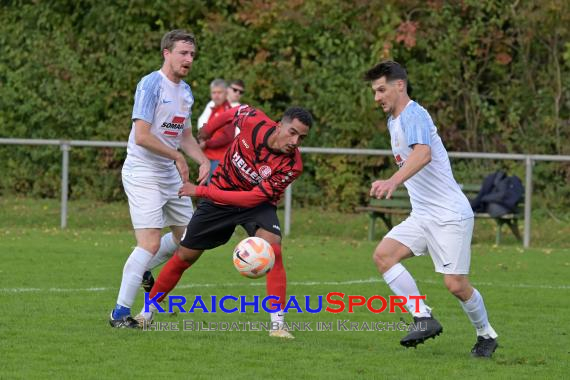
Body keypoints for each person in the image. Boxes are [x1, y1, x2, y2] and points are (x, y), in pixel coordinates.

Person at [136, 105, 313, 339]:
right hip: (220, 196)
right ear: (279, 125)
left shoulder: (292, 165)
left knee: (273, 248)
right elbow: (232, 113)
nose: (295, 141)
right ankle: (146, 313)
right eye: (292, 132)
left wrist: (202, 191)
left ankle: (277, 325)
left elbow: (253, 197)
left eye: (301, 137)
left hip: (254, 204)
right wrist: (208, 130)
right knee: (185, 256)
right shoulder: (253, 121)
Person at [363, 61, 499, 357]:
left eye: (381, 90)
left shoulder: (415, 114)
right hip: (423, 215)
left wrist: (393, 181)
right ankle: (423, 318)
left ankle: (486, 334)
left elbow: (423, 154)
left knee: (456, 285)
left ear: (400, 86)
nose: (377, 98)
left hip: (450, 215)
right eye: (374, 92)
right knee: (384, 256)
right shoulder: (393, 121)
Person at [109, 29, 210, 328]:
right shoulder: (151, 84)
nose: (188, 59)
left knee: (191, 242)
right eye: (183, 53)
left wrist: (202, 159)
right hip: (143, 172)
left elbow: (186, 135)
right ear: (166, 53)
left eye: (192, 54)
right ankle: (119, 314)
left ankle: (143, 270)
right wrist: (178, 156)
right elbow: (141, 136)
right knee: (150, 243)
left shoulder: (187, 91)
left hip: (169, 174)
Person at [196, 79, 233, 182]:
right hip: (209, 157)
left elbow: (227, 137)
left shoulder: (227, 111)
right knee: (208, 192)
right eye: (214, 92)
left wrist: (206, 144)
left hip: (220, 160)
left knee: (215, 193)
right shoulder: (213, 109)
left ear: (226, 93)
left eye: (219, 92)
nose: (216, 95)